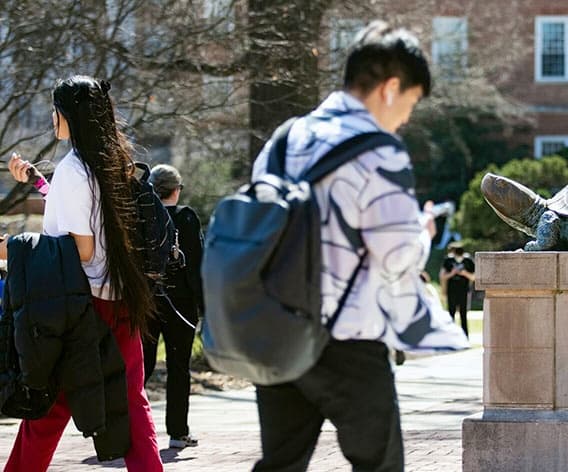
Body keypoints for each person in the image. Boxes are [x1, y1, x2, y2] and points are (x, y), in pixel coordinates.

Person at [251, 21, 469, 471]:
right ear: (390, 89)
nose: (407, 117)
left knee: (281, 464)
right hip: (347, 337)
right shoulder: (379, 152)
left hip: (277, 329)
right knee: (380, 465)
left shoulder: (286, 137)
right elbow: (394, 254)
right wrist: (420, 232)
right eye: (410, 103)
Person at [2, 75, 163, 471]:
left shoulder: (75, 168)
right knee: (131, 404)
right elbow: (91, 218)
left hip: (81, 307)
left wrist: (14, 248)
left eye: (54, 111)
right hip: (121, 298)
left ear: (66, 114)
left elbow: (83, 247)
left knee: (47, 408)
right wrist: (38, 182)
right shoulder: (113, 161)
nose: (52, 118)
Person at [142, 164, 204, 449]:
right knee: (179, 368)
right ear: (176, 190)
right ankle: (178, 432)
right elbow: (198, 265)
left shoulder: (141, 216)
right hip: (181, 304)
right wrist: (203, 307)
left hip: (147, 302)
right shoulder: (187, 218)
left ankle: (132, 431)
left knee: (141, 368)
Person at [440, 243, 475, 337]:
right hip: (451, 291)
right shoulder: (448, 260)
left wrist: (464, 273)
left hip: (463, 291)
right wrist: (452, 273)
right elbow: (443, 276)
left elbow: (473, 277)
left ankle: (465, 337)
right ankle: (450, 337)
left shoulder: (468, 261)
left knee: (463, 315)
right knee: (451, 314)